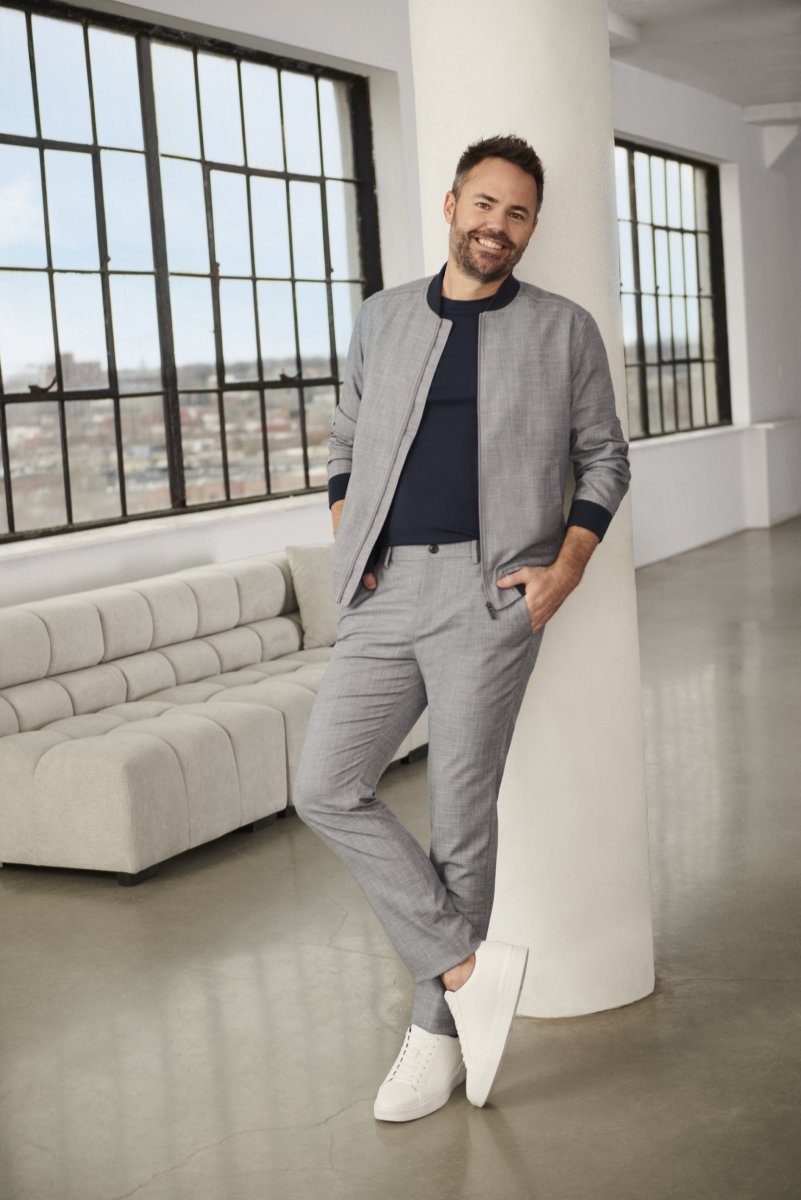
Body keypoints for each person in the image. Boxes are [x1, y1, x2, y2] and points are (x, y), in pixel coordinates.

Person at [294, 134, 630, 1122]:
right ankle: (467, 971)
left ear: (531, 227)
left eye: (518, 213)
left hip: (492, 595)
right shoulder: (383, 319)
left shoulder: (563, 331)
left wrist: (560, 572)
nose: (498, 226)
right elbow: (348, 439)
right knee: (324, 785)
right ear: (451, 206)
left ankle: (434, 1043)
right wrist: (354, 541)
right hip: (384, 587)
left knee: (460, 825)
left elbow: (605, 458)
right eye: (485, 205)